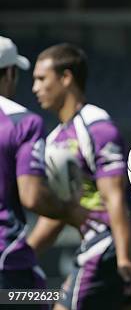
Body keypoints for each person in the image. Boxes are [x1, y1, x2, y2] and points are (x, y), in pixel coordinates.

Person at [27, 43, 131, 310]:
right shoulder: (54, 140)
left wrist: (124, 258)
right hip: (127, 248)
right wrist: (21, 254)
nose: (35, 88)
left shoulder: (97, 126)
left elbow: (115, 198)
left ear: (66, 78)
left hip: (110, 247)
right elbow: (59, 214)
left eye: (42, 79)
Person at [0, 37, 87, 300]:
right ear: (11, 73)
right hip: (7, 266)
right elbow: (32, 196)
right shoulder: (24, 122)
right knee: (54, 299)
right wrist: (75, 212)